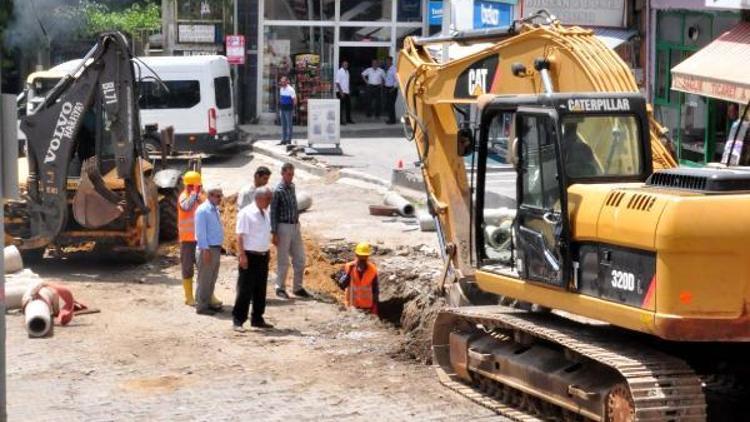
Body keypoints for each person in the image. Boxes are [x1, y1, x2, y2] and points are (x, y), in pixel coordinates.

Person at [232, 186, 275, 331]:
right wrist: (242, 255)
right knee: (245, 289)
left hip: (263, 255)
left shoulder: (265, 212)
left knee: (260, 289)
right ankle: (238, 320)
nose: (270, 201)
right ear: (258, 198)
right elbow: (240, 236)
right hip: (250, 255)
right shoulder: (246, 213)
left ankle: (257, 318)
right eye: (268, 199)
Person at [271, 163, 309, 299]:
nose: (291, 177)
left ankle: (297, 287)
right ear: (282, 174)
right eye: (288, 174)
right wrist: (274, 233)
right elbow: (273, 212)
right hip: (283, 227)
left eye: (292, 174)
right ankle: (280, 287)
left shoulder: (292, 187)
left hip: (294, 226)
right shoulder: (278, 190)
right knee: (283, 260)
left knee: (300, 258)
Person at [194, 184, 225, 315]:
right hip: (207, 249)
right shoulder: (203, 210)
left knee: (211, 277)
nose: (220, 198)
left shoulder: (214, 209)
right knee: (205, 279)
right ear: (210, 196)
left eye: (220, 196)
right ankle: (202, 306)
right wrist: (205, 250)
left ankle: (207, 302)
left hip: (215, 248)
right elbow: (200, 233)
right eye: (218, 196)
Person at [177, 171, 203, 306]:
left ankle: (205, 295)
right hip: (187, 240)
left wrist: (198, 195)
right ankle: (188, 296)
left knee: (203, 268)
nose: (198, 188)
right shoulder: (184, 196)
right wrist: (194, 194)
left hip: (200, 239)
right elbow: (186, 207)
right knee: (187, 268)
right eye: (194, 186)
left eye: (198, 186)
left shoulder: (200, 197)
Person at [335, 242, 379, 316]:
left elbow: (375, 290)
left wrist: (374, 309)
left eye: (364, 257)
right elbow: (342, 285)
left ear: (367, 257)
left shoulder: (373, 270)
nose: (362, 259)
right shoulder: (349, 267)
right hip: (352, 307)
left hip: (367, 308)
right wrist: (348, 273)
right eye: (360, 256)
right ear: (356, 255)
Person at [278, 76, 296, 148]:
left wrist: (293, 108)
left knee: (289, 124)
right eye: (281, 81)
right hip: (282, 108)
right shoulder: (281, 89)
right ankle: (283, 139)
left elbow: (294, 99)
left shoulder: (291, 89)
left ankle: (289, 139)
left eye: (283, 81)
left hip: (288, 109)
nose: (282, 83)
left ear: (286, 82)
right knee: (283, 125)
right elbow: (281, 98)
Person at [335, 60, 354, 125]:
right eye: (345, 64)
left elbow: (347, 82)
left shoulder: (347, 72)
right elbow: (337, 82)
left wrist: (349, 90)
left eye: (347, 64)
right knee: (341, 107)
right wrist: (341, 92)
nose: (346, 65)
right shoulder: (339, 71)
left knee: (348, 106)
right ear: (342, 65)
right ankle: (340, 121)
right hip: (341, 92)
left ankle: (348, 119)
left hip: (347, 91)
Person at [384, 57, 398, 124]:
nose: (387, 62)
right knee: (389, 105)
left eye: (388, 61)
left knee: (391, 105)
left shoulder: (394, 69)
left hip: (392, 89)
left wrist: (393, 88)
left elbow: (397, 80)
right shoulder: (388, 69)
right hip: (387, 88)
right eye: (386, 61)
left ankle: (392, 120)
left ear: (391, 61)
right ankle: (390, 119)